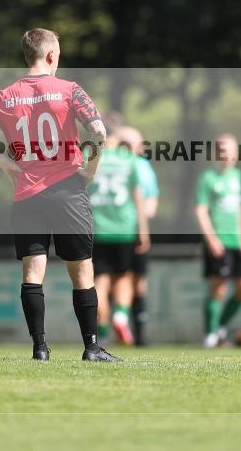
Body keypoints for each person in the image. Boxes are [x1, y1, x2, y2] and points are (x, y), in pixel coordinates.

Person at [0, 28, 120, 362]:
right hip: (67, 191)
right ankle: (91, 347)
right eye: (57, 53)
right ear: (50, 56)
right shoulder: (70, 90)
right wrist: (91, 167)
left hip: (27, 193)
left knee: (32, 273)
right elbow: (99, 132)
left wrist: (4, 163)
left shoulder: (5, 97)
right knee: (82, 273)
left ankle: (40, 348)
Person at [89, 126, 151, 345]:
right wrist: (142, 230)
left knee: (100, 281)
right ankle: (121, 316)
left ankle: (103, 328)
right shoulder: (130, 161)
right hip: (123, 229)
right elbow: (138, 197)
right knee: (124, 277)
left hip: (97, 229)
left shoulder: (93, 158)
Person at [195, 133, 241, 348]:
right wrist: (211, 239)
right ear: (216, 153)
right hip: (218, 240)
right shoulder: (207, 178)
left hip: (236, 241)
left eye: (233, 152)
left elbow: (238, 209)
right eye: (225, 152)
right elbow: (200, 210)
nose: (230, 156)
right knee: (217, 288)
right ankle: (210, 335)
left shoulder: (237, 175)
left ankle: (220, 325)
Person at [129, 127, 159, 346]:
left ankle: (136, 335)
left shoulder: (143, 167)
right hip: (120, 231)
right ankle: (117, 331)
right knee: (114, 281)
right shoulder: (131, 166)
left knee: (136, 283)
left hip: (131, 231)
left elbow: (151, 201)